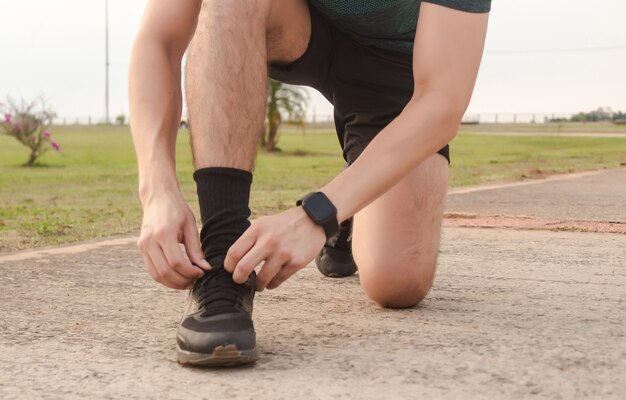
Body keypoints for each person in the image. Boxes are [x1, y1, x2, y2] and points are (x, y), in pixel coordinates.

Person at [129, 0, 490, 366]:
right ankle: (223, 264)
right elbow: (159, 40)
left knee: (397, 283)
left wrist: (321, 213)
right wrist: (156, 190)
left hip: (396, 65)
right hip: (293, 21)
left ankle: (351, 203)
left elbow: (443, 100)